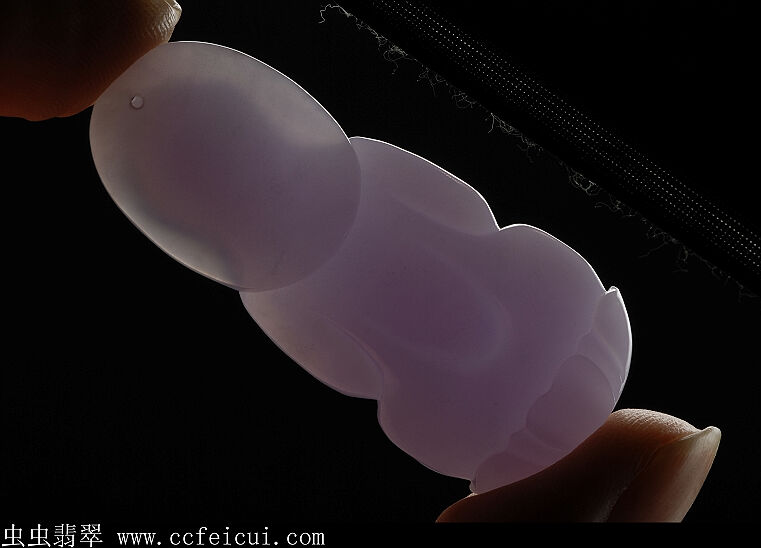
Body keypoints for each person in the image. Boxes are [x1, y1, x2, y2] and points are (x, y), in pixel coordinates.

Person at [0, 0, 720, 522]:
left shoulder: (366, 172)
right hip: (481, 407)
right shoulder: (273, 294)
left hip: (542, 332)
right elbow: (352, 367)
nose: (247, 185)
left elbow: (467, 216)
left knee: (524, 284)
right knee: (437, 391)